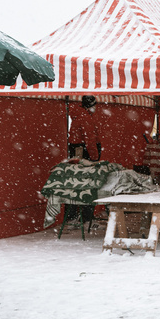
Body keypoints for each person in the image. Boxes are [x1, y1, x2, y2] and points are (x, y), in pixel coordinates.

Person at [66, 95, 101, 223]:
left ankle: (73, 214)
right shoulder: (85, 118)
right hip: (84, 153)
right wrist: (94, 157)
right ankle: (86, 215)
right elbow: (90, 139)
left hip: (76, 152)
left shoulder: (78, 116)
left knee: (75, 183)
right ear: (90, 105)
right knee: (87, 184)